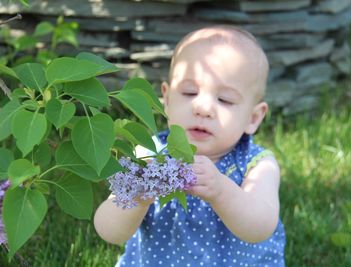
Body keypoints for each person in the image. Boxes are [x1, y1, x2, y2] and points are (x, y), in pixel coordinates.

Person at [94, 25, 285, 267]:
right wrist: (137, 195)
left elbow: (261, 227)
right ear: (167, 99)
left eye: (224, 99)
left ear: (253, 118)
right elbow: (108, 230)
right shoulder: (148, 153)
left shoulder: (257, 164)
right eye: (189, 92)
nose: (202, 108)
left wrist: (221, 192)